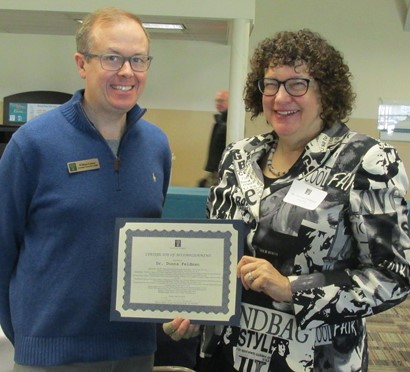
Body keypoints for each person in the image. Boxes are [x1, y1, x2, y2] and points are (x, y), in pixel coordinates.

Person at [163, 29, 410, 371]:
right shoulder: (238, 157)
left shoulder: (367, 161)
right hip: (227, 354)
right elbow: (216, 252)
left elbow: (392, 276)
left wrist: (292, 288)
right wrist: (195, 303)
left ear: (326, 89)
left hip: (313, 359)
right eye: (271, 84)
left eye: (297, 84)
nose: (280, 98)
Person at [0, 7, 171, 371]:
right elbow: (2, 247)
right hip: (52, 354)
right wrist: (29, 334)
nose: (127, 72)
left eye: (138, 59)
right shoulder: (32, 144)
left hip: (135, 351)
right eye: (112, 58)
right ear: (82, 63)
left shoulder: (156, 146)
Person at [198, 90, 229, 187]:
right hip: (215, 169)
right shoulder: (220, 121)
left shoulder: (231, 123)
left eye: (221, 101)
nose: (218, 104)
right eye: (217, 101)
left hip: (221, 171)